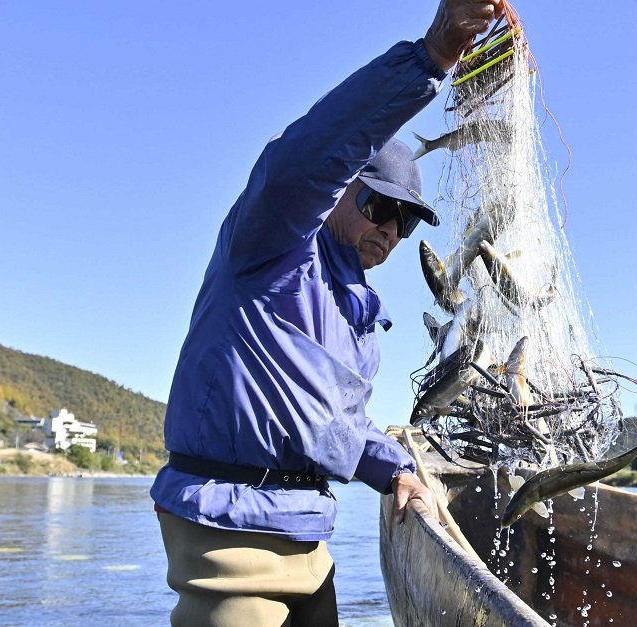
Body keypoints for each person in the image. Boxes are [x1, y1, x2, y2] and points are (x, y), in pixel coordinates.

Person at [149, 1, 504, 625]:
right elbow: (307, 157)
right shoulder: (270, 248)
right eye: (378, 205)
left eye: (406, 220)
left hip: (311, 552)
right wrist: (431, 59)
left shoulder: (354, 317)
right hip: (228, 549)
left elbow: (331, 427)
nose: (390, 230)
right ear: (338, 187)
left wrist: (397, 470)